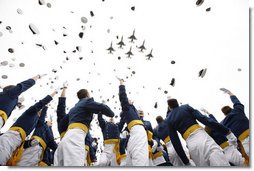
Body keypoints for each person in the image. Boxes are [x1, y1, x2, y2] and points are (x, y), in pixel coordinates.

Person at [165, 98, 236, 166]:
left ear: (170, 108)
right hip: (202, 137)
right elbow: (205, 119)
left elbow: (175, 141)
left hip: (191, 145)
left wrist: (185, 161)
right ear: (177, 104)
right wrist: (226, 131)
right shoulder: (186, 107)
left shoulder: (168, 120)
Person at [54, 88, 115, 166]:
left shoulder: (73, 110)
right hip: (75, 139)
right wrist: (111, 114)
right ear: (87, 95)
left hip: (64, 140)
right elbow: (103, 108)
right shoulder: (87, 101)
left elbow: (62, 124)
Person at [0, 91, 56, 166]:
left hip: (17, 143)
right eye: (40, 109)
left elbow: (41, 118)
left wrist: (29, 143)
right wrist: (53, 94)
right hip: (11, 136)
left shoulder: (36, 121)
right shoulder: (30, 112)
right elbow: (41, 105)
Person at [117, 77, 149, 166]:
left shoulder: (131, 110)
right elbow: (123, 96)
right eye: (129, 100)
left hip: (133, 135)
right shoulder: (126, 108)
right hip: (138, 132)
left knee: (130, 162)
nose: (130, 100)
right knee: (140, 160)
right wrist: (121, 83)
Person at [220, 88, 249, 158]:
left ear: (224, 114)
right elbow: (236, 101)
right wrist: (229, 93)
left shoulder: (223, 123)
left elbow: (215, 125)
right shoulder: (237, 110)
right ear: (231, 108)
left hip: (246, 144)